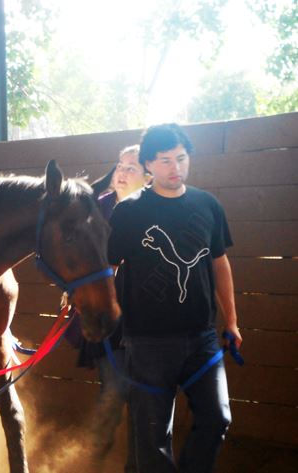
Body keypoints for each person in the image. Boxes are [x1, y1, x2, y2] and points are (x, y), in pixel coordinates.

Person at [107, 123, 242, 473]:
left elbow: (219, 262)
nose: (175, 168)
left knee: (217, 418)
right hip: (148, 341)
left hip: (202, 337)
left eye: (181, 158)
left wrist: (231, 320)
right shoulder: (129, 211)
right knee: (152, 438)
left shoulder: (207, 205)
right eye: (165, 160)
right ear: (148, 165)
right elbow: (111, 267)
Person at [65, 145, 149, 472]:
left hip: (145, 318)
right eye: (120, 165)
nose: (121, 173)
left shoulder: (153, 211)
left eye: (131, 168)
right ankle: (94, 463)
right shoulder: (97, 208)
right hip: (108, 316)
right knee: (114, 392)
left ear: (147, 177)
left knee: (144, 399)